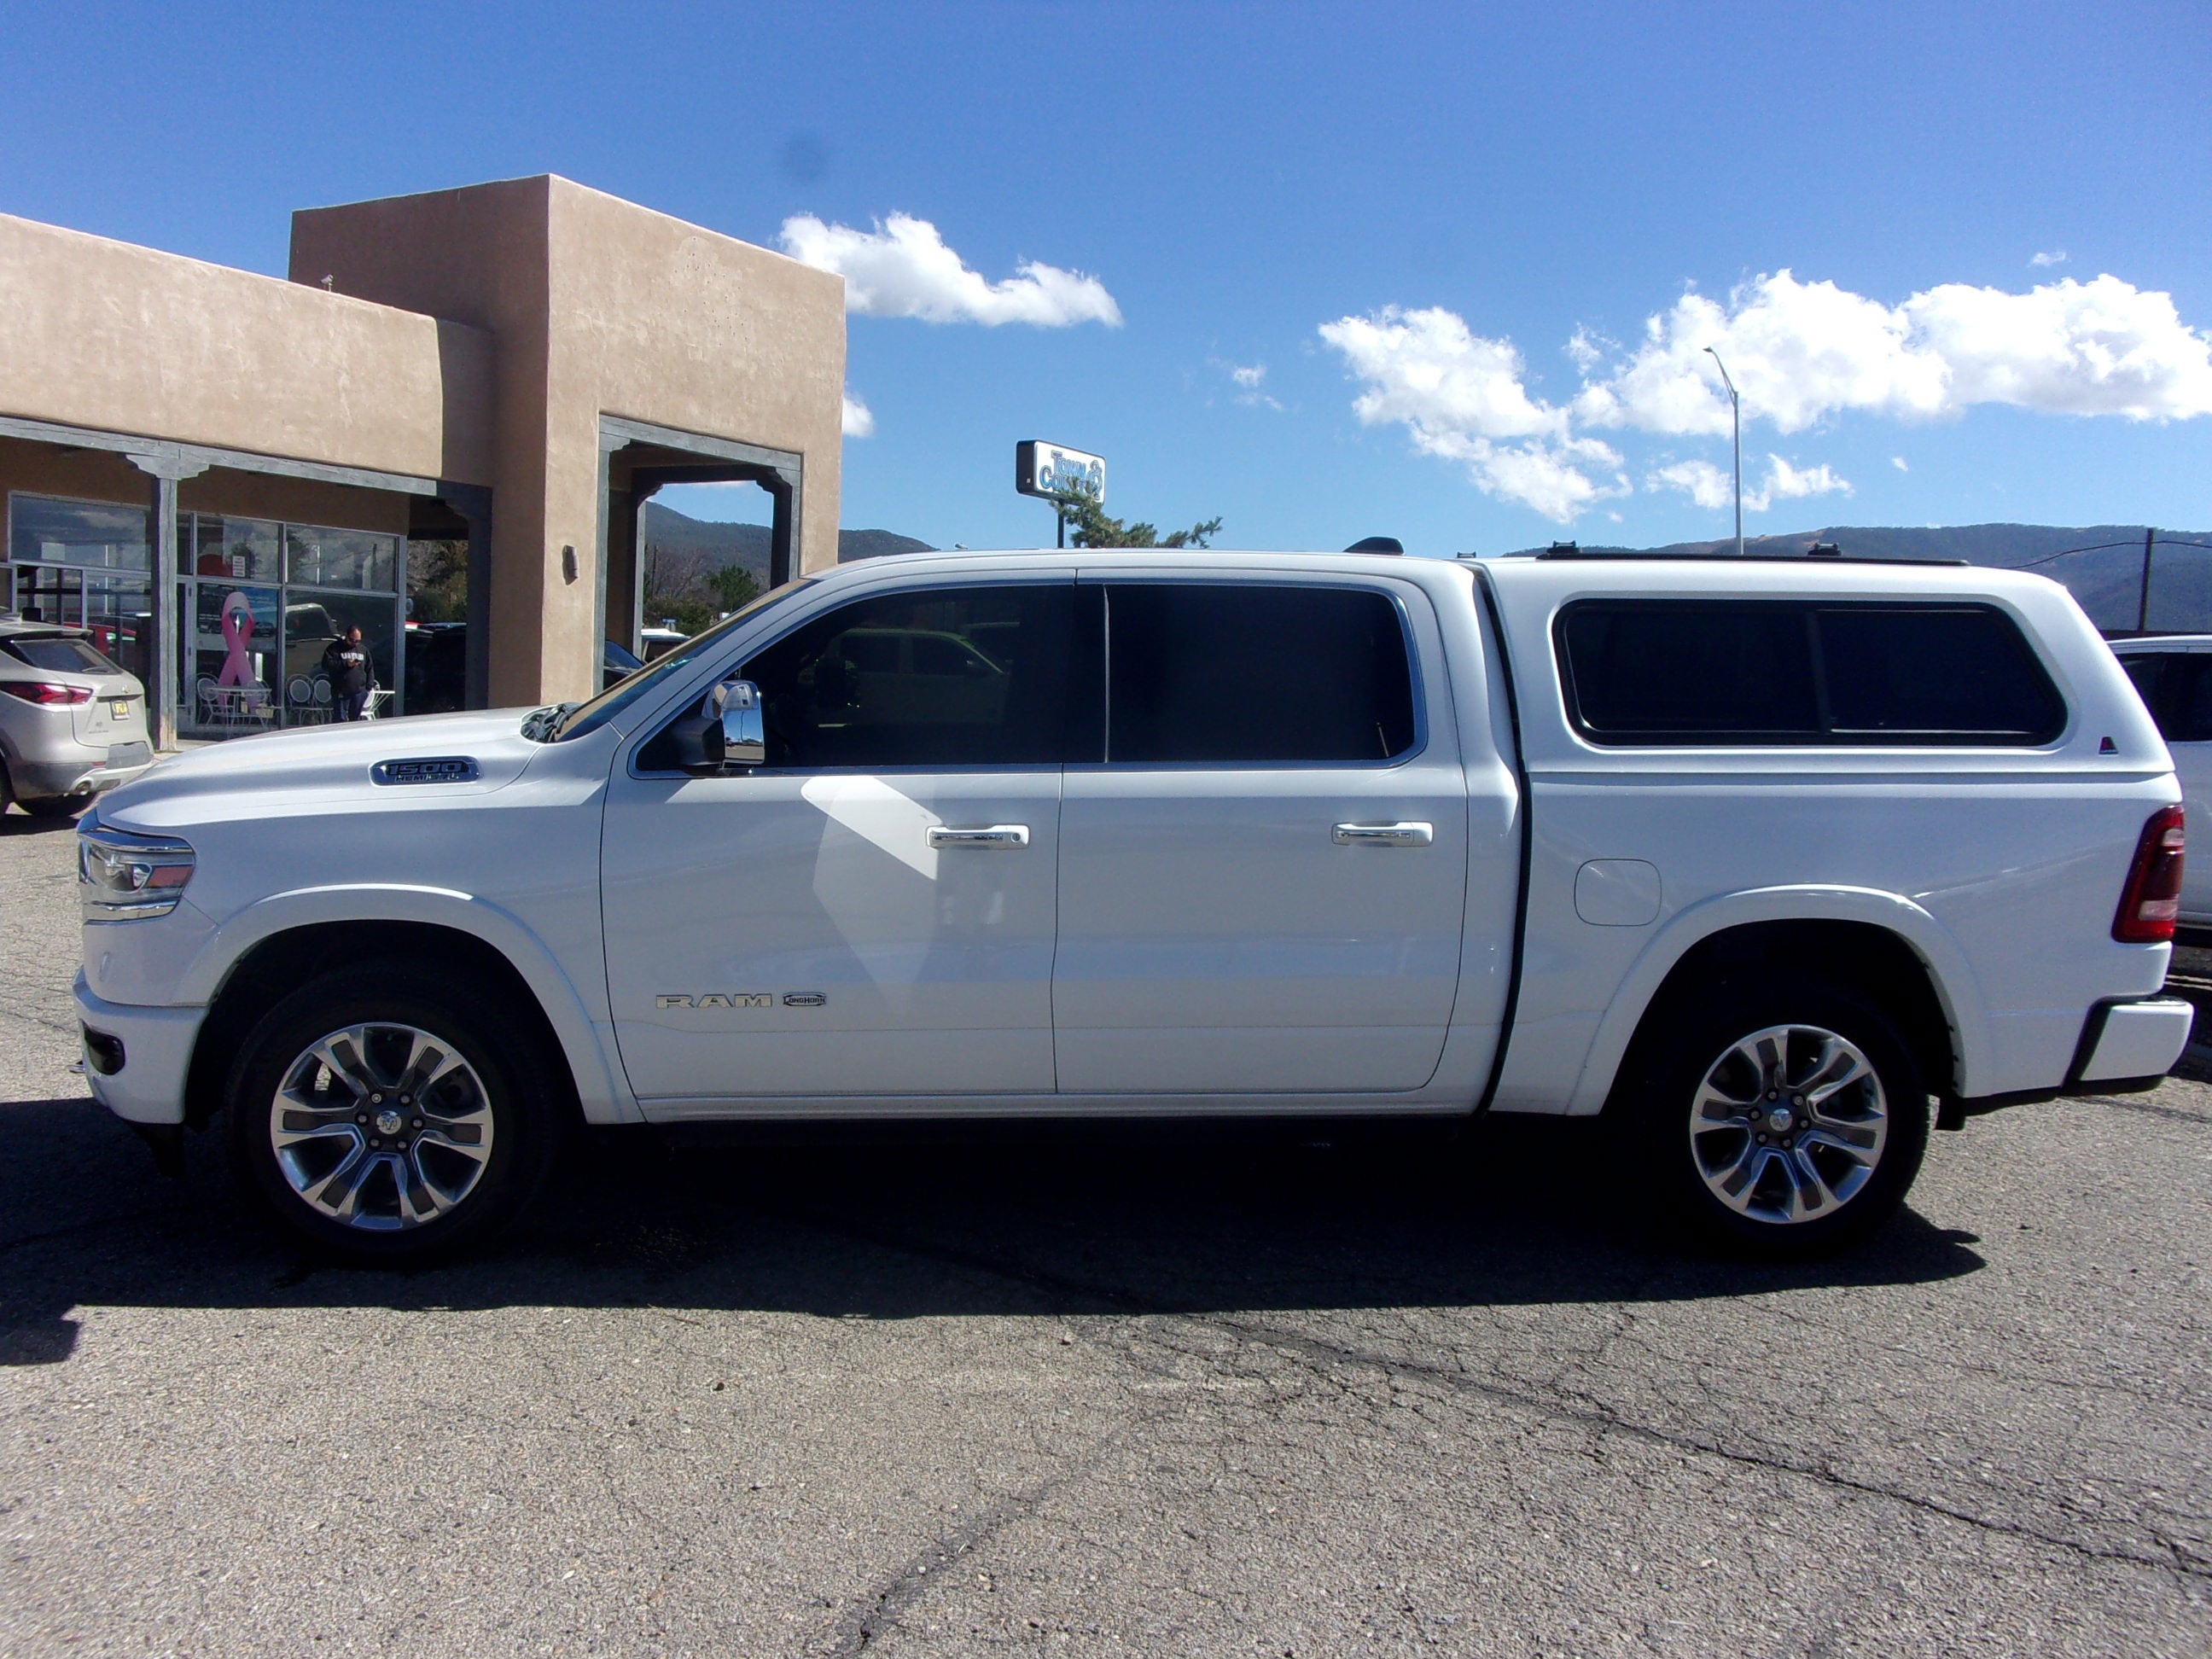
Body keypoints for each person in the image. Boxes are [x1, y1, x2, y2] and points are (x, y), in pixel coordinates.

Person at [322, 626, 375, 721]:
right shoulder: (334, 648)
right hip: (340, 689)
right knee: (340, 719)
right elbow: (326, 665)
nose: (354, 643)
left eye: (357, 641)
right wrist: (346, 664)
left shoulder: (363, 649)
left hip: (359, 691)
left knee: (354, 719)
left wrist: (368, 687)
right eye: (352, 640)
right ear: (346, 636)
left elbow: (369, 668)